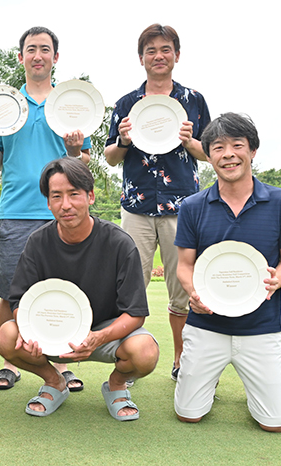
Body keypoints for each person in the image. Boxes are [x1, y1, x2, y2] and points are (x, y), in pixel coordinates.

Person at [0, 157, 159, 421]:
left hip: (105, 332)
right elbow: (17, 302)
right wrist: (28, 331)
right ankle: (54, 382)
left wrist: (99, 337)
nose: (66, 205)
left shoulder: (119, 243)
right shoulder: (37, 242)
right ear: (48, 202)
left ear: (90, 196)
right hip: (51, 332)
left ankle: (117, 385)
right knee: (6, 335)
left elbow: (135, 313)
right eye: (56, 196)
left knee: (145, 351)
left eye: (74, 194)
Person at [0, 26, 91, 391]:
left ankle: (62, 361)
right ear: (22, 57)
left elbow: (83, 163)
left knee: (63, 291)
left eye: (45, 49)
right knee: (10, 293)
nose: (37, 55)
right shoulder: (5, 106)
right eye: (30, 50)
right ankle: (10, 361)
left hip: (62, 213)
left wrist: (74, 151)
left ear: (56, 58)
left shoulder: (70, 106)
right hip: (16, 211)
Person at [174, 112, 281, 432]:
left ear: (252, 151)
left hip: (261, 327)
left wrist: (279, 278)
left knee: (274, 423)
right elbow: (185, 265)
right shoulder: (192, 205)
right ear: (208, 155)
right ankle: (207, 377)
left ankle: (255, 387)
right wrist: (194, 293)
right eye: (218, 147)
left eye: (237, 145)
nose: (228, 154)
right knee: (188, 414)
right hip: (206, 325)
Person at [104, 24, 211, 382]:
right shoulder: (126, 104)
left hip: (184, 208)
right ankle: (127, 359)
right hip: (136, 206)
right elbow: (110, 158)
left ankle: (182, 360)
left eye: (166, 49)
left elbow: (210, 153)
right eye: (151, 51)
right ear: (141, 59)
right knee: (130, 285)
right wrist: (122, 140)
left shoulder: (193, 100)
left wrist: (189, 141)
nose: (159, 56)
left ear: (177, 55)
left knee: (184, 289)